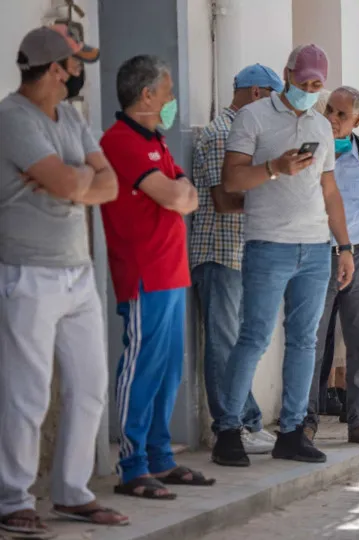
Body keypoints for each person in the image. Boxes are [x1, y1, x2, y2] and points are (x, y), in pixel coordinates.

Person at [0, 25, 130, 535]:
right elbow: (72, 180)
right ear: (56, 69)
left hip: (78, 272)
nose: (78, 74)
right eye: (75, 65)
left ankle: (72, 493)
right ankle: (12, 499)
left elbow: (110, 184)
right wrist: (78, 181)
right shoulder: (12, 118)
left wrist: (73, 183)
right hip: (27, 271)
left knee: (90, 387)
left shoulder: (71, 118)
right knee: (26, 392)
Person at [211, 44, 354, 467]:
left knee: (304, 341)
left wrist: (344, 247)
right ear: (287, 74)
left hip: (314, 248)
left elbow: (330, 190)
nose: (310, 90)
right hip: (267, 244)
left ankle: (292, 431)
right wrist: (275, 167)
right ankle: (228, 431)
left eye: (317, 85)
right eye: (304, 82)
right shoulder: (252, 117)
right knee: (254, 337)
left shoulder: (322, 126)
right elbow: (231, 180)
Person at [100, 54, 215, 499]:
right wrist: (179, 193)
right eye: (167, 93)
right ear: (146, 94)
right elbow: (173, 193)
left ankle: (161, 458)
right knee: (142, 367)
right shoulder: (121, 141)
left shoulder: (155, 139)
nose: (171, 101)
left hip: (171, 271)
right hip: (144, 273)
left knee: (168, 370)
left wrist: (179, 193)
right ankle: (132, 465)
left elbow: (185, 195)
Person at [190, 64, 284, 455]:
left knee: (243, 342)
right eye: (274, 99)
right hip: (219, 252)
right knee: (224, 343)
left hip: (244, 252)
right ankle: (230, 426)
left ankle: (247, 419)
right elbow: (224, 199)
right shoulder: (221, 135)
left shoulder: (244, 133)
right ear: (259, 94)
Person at [305, 86, 359, 444]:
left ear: (358, 120)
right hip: (317, 256)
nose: (332, 119)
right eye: (330, 110)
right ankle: (304, 421)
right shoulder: (310, 153)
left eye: (342, 115)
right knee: (310, 341)